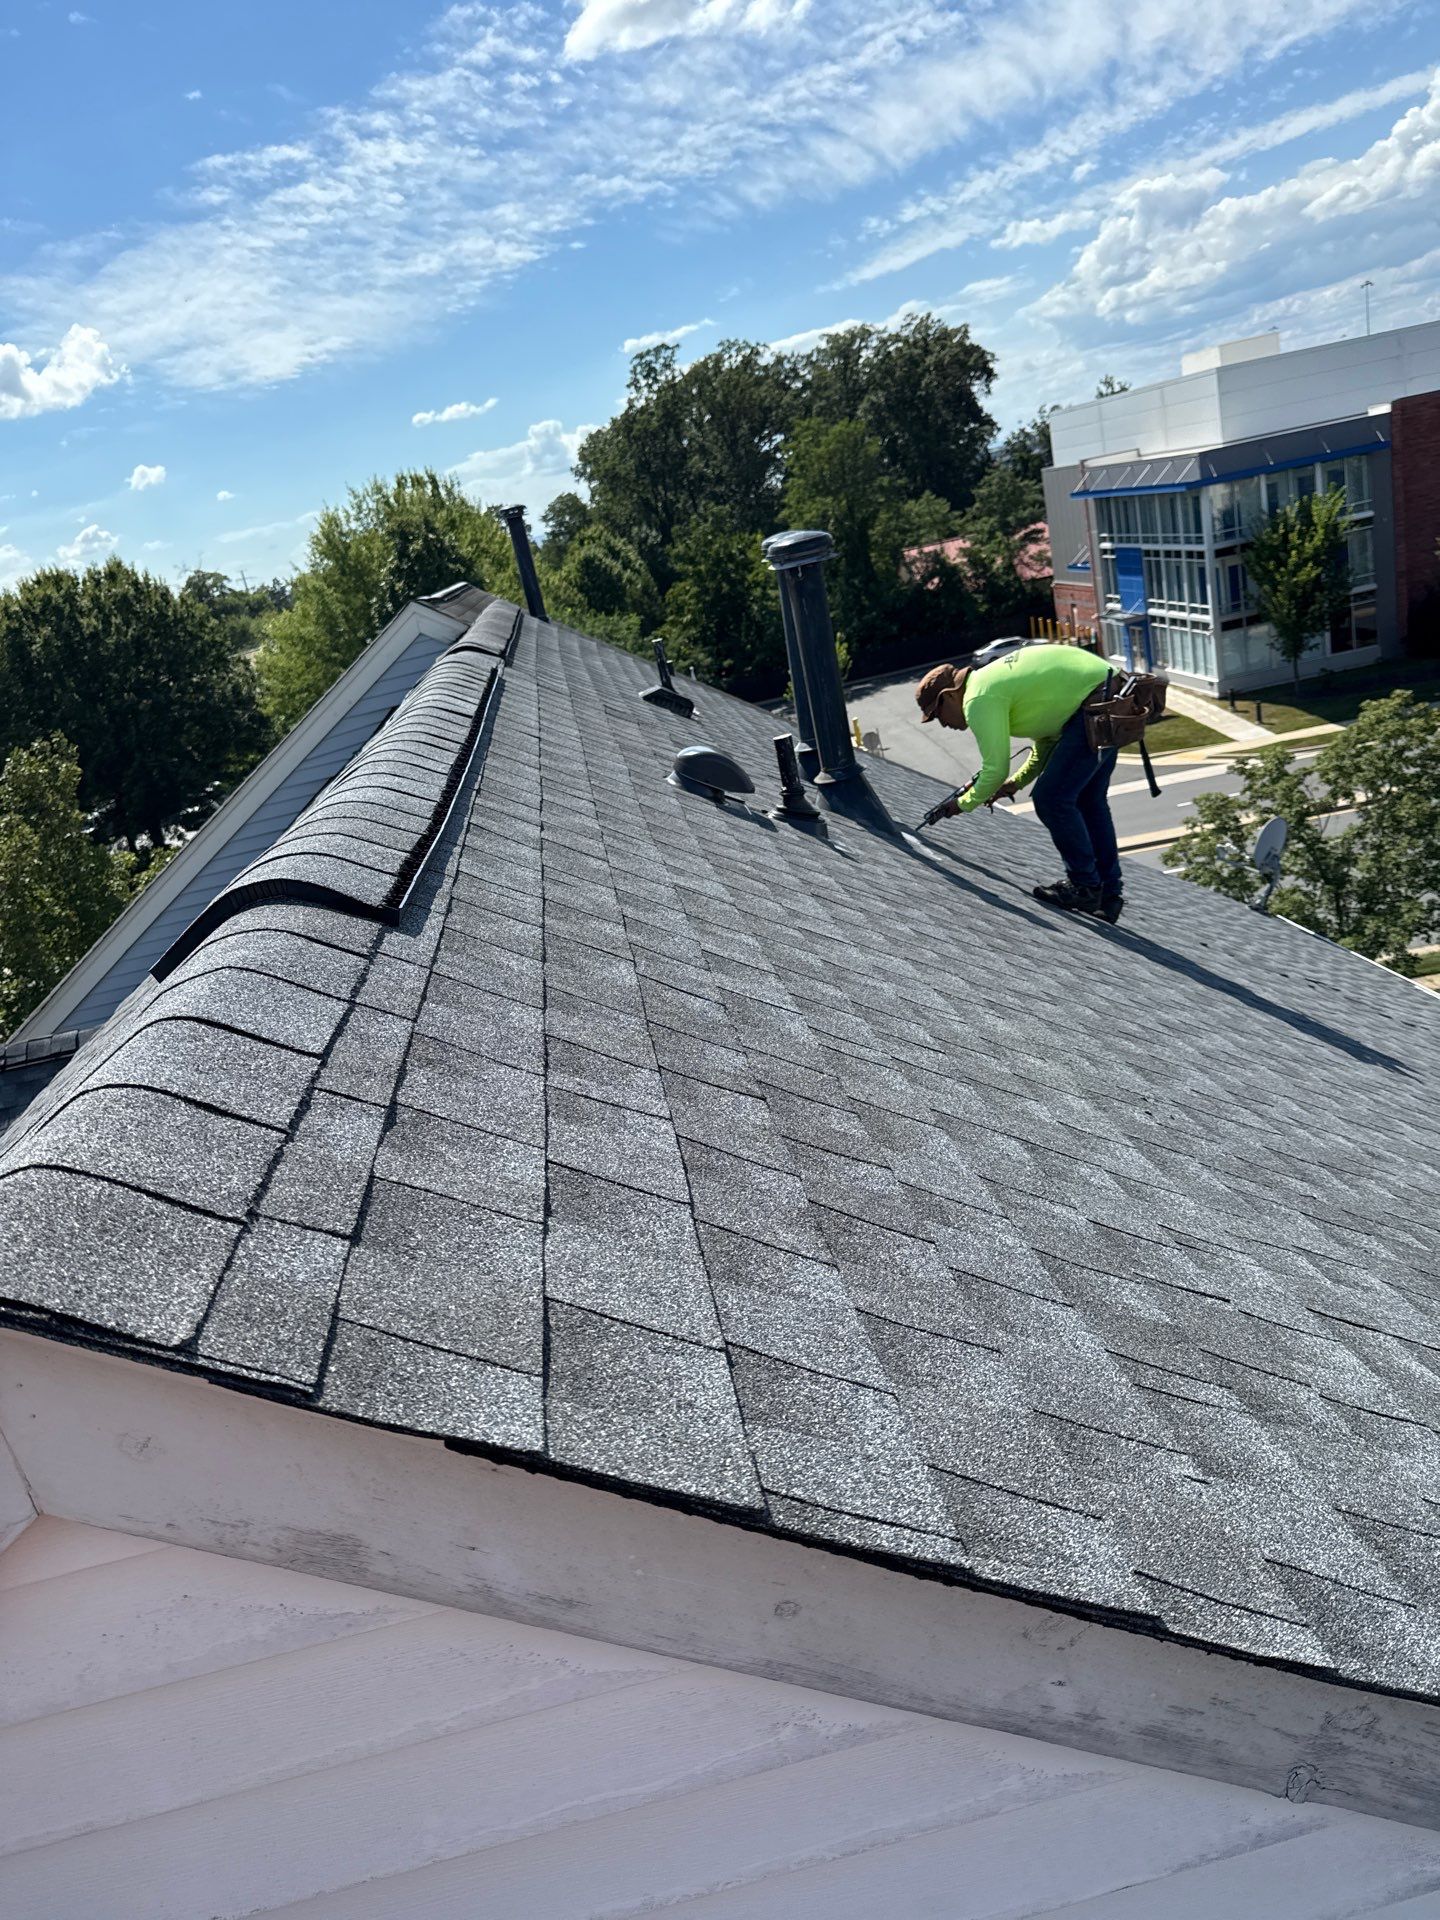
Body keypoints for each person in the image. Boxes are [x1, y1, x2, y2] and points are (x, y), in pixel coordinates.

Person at [916, 646, 1125, 922]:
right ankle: (1109, 896)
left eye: (937, 714)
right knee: (1089, 801)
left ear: (949, 695)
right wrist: (1016, 783)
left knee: (1052, 800)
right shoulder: (988, 683)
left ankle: (1084, 886)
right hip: (1115, 695)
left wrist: (963, 804)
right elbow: (1048, 739)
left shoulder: (977, 698)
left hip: (1096, 703)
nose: (942, 724)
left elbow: (995, 769)